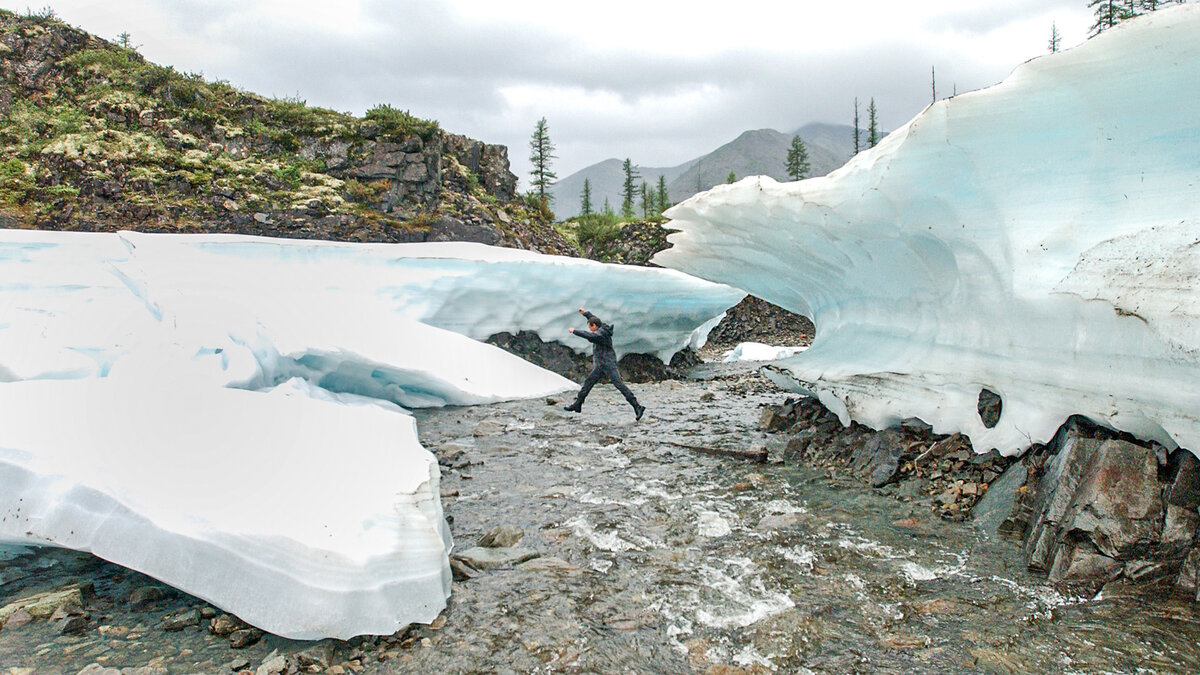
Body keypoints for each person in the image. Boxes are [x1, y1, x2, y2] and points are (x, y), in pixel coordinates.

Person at [564, 307, 645, 420]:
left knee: (619, 385)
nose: (590, 329)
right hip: (600, 365)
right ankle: (577, 405)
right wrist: (585, 314)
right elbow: (594, 319)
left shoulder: (600, 335)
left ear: (594, 326)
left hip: (608, 365)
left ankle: (637, 406)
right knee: (588, 383)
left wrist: (574, 331)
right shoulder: (601, 327)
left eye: (590, 327)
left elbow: (589, 335)